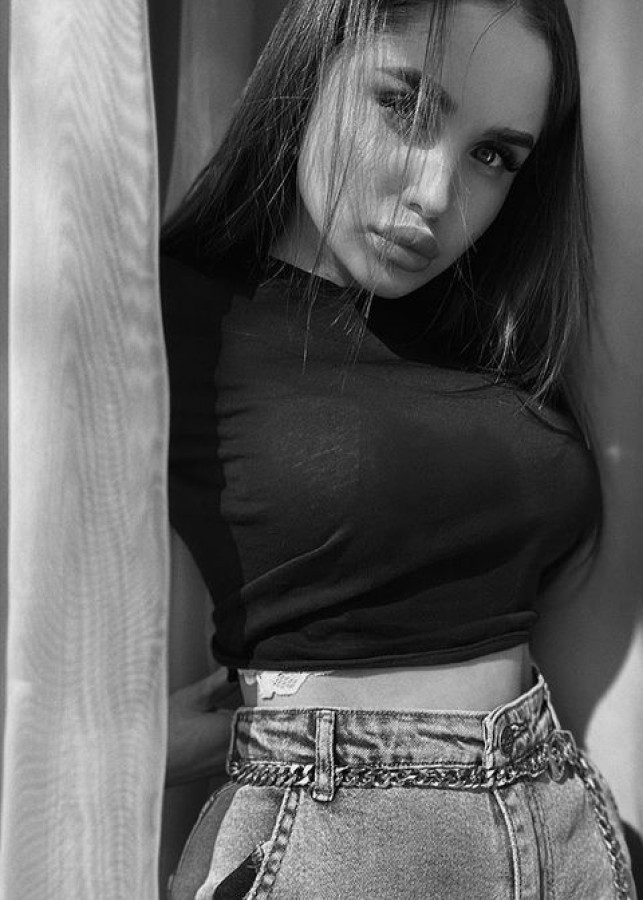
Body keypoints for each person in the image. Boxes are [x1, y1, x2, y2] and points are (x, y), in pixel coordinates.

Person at [160, 0, 637, 897]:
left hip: (565, 830)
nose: (435, 195)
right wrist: (137, 748)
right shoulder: (171, 316)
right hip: (332, 839)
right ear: (314, 65)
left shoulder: (489, 326)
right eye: (405, 107)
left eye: (492, 156)